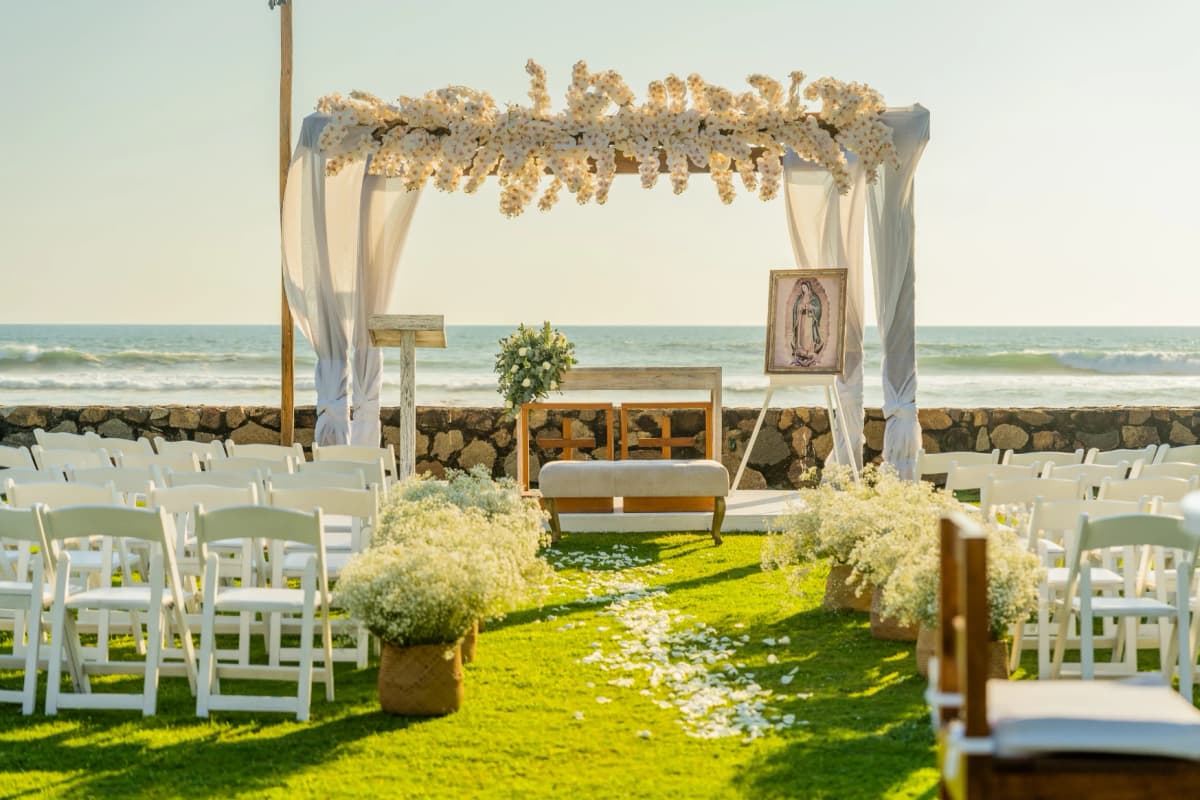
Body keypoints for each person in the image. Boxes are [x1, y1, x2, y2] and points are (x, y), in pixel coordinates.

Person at [788, 280, 823, 367]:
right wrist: (800, 307)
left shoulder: (813, 297)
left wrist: (810, 307)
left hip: (809, 319)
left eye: (805, 287)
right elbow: (795, 308)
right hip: (801, 318)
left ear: (808, 287)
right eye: (802, 288)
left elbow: (818, 308)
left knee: (808, 334)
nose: (803, 289)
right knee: (802, 334)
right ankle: (802, 351)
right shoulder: (800, 298)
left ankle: (810, 351)